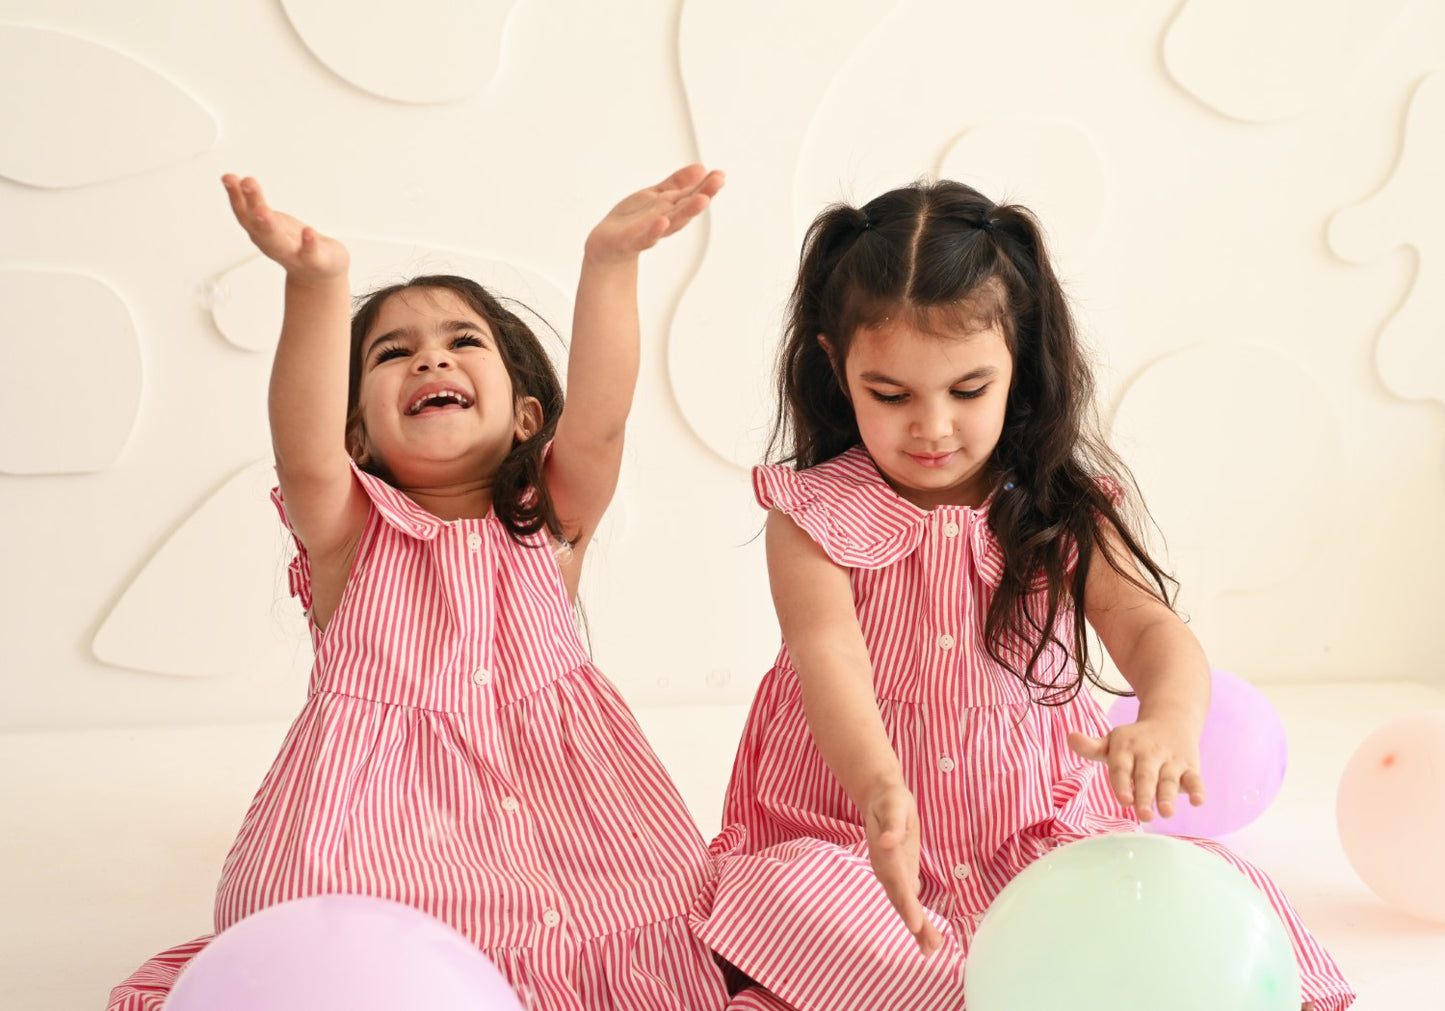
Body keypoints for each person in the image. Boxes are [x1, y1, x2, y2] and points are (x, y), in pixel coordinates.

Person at [688, 179, 1354, 1011]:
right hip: (852, 828)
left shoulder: (1054, 508)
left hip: (1029, 828)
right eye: (889, 395)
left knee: (1202, 902)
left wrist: (1169, 719)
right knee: (797, 913)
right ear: (836, 365)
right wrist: (878, 791)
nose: (931, 426)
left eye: (967, 390)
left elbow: (1147, 626)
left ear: (1019, 363)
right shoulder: (813, 515)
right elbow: (831, 659)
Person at [108, 165, 729, 1010]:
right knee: (328, 941)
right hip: (375, 827)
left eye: (462, 341)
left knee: (642, 916)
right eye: (392, 352)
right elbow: (301, 446)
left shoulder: (549, 516)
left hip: (564, 812)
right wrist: (317, 285)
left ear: (525, 415)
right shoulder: (346, 528)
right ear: (358, 432)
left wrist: (609, 261)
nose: (429, 355)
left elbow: (605, 415)